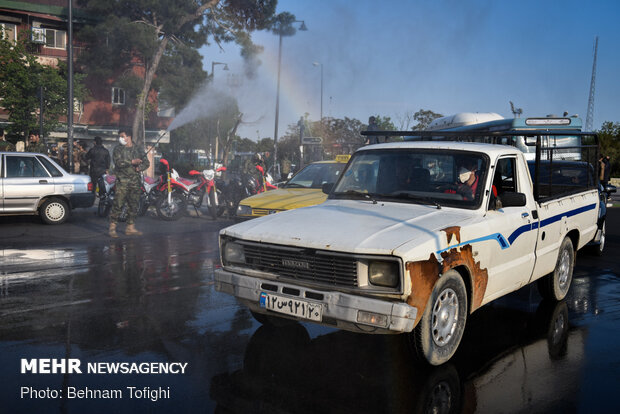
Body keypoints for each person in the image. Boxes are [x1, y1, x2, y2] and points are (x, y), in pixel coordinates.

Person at [108, 128, 150, 238]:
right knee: (118, 204)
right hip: (122, 181)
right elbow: (118, 162)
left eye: (122, 136)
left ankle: (130, 227)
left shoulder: (138, 149)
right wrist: (132, 162)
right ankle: (112, 228)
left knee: (133, 205)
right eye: (120, 136)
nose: (120, 138)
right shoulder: (118, 149)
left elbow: (147, 163)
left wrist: (139, 168)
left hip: (135, 182)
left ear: (129, 136)